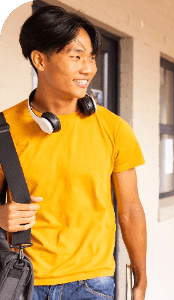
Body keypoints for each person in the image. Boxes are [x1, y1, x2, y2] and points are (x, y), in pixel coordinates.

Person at [0, 5, 147, 300]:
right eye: (75, 56)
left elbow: (130, 211)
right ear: (40, 60)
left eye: (91, 57)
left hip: (92, 284)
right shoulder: (5, 129)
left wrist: (140, 279)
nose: (88, 68)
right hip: (22, 279)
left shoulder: (114, 129)